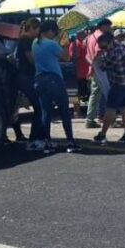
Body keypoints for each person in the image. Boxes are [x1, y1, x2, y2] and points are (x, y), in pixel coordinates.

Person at [32, 20, 81, 153]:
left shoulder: (35, 43)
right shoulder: (51, 44)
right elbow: (66, 57)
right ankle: (70, 142)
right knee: (64, 111)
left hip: (39, 79)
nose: (54, 34)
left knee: (46, 112)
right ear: (49, 31)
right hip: (54, 79)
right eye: (54, 32)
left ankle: (47, 143)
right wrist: (66, 44)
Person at [93, 32, 125, 145]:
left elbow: (102, 67)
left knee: (110, 109)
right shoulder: (122, 46)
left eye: (104, 47)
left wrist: (98, 57)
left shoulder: (114, 54)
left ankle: (102, 135)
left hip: (120, 84)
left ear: (111, 42)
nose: (103, 49)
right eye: (101, 47)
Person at [84, 19, 115, 128]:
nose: (110, 29)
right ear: (103, 26)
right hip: (101, 67)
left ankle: (89, 119)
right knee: (108, 93)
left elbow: (87, 54)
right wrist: (96, 64)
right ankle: (111, 120)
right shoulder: (101, 36)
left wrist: (91, 65)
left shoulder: (90, 37)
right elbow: (99, 51)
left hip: (93, 67)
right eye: (109, 26)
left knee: (95, 94)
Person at [70, 31, 91, 118]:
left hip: (85, 73)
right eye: (83, 33)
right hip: (78, 73)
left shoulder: (82, 43)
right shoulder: (75, 44)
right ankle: (76, 112)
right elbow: (74, 56)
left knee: (84, 93)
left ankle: (82, 111)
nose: (85, 34)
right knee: (76, 94)